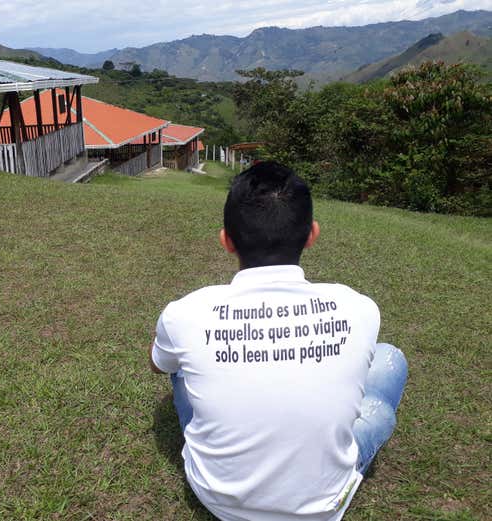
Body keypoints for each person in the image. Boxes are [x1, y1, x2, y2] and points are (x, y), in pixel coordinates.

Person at [149, 161, 407, 521]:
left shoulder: (186, 313)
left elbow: (158, 365)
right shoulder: (359, 307)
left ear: (226, 240)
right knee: (389, 360)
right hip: (322, 506)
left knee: (180, 367)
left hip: (219, 498)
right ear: (312, 234)